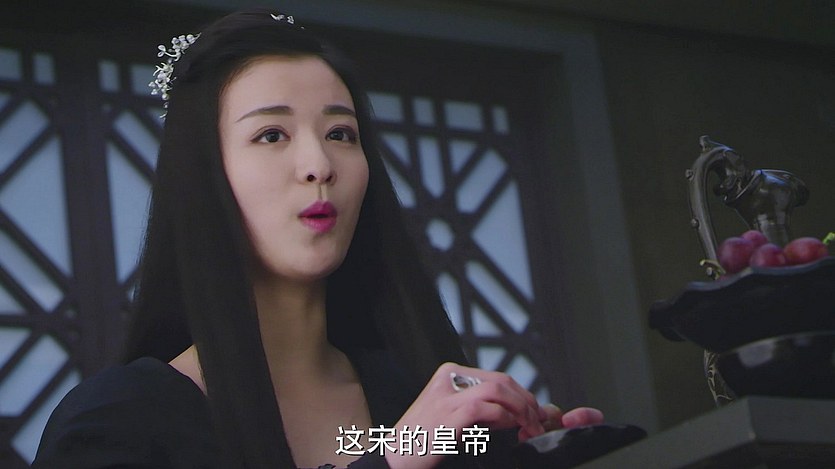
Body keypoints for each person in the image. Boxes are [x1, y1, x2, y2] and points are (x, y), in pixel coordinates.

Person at [32, 8, 603, 469]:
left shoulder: (413, 399)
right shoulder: (121, 422)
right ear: (202, 175)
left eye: (340, 134)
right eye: (271, 134)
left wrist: (515, 454)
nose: (319, 164)